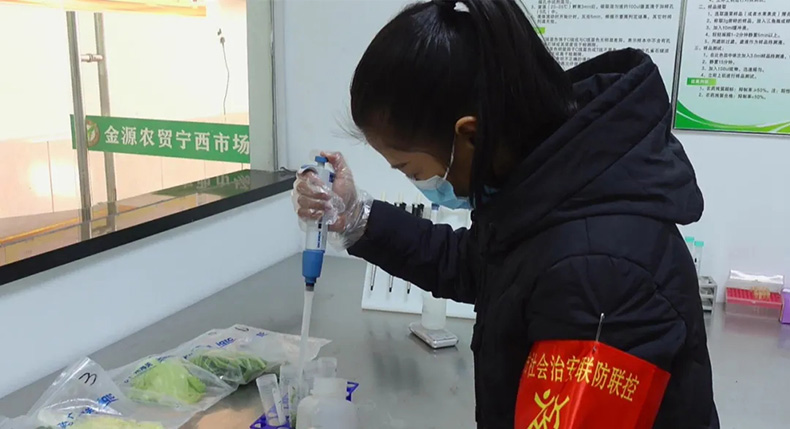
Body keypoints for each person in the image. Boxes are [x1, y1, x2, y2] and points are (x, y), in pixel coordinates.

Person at [293, 0, 718, 428]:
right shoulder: (549, 189)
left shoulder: (596, 271)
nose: (417, 182)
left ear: (471, 135)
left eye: (412, 170)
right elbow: (473, 262)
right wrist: (356, 216)